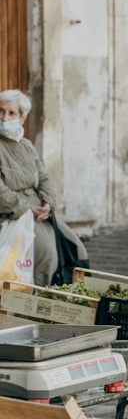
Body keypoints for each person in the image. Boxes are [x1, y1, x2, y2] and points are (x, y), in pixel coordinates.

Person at [0, 90, 88, 286]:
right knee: (47, 254)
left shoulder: (27, 146)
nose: (4, 117)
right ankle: (36, 302)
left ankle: (66, 295)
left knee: (76, 247)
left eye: (11, 113)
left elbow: (44, 178)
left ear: (22, 118)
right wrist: (27, 208)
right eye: (1, 111)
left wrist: (48, 203)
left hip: (39, 210)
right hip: (12, 212)